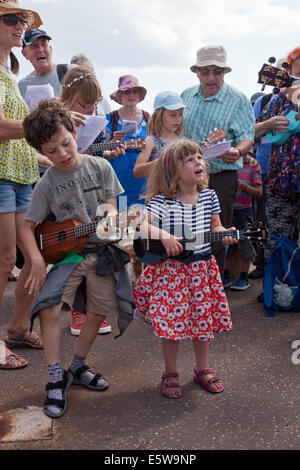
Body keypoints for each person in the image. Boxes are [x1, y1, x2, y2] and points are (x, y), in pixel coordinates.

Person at [21, 100, 133, 418]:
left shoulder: (101, 167)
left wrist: (112, 217)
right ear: (42, 151)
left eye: (66, 144)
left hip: (101, 251)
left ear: (74, 131)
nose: (63, 154)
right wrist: (36, 260)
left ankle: (78, 368)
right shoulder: (46, 183)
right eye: (52, 150)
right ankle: (55, 378)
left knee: (98, 313)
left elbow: (111, 206)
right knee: (48, 308)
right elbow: (28, 228)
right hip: (68, 254)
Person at [134, 139, 238, 398]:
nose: (198, 162)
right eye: (189, 159)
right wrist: (164, 236)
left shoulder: (209, 196)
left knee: (202, 322)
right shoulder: (162, 201)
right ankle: (170, 372)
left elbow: (215, 227)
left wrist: (225, 233)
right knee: (172, 325)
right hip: (173, 274)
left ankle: (202, 369)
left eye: (199, 158)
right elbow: (141, 226)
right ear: (173, 170)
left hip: (201, 270)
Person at [60, 65, 126, 336]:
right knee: (73, 253)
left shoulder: (95, 118)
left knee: (97, 250)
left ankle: (92, 311)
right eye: (83, 104)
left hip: (95, 187)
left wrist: (111, 151)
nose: (89, 109)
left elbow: (97, 151)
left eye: (94, 104)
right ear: (67, 97)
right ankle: (75, 312)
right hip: (67, 190)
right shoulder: (57, 118)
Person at [181, 45, 255, 276]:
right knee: (184, 229)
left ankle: (211, 283)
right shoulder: (185, 96)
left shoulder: (239, 99)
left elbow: (246, 137)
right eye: (205, 72)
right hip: (185, 177)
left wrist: (239, 152)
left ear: (224, 72)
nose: (211, 77)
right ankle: (184, 282)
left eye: (217, 71)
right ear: (197, 72)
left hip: (221, 177)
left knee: (217, 232)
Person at [0, 0, 43, 370]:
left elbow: (18, 133)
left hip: (23, 172)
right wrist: (45, 119)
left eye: (21, 20)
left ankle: (17, 326)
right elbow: (1, 128)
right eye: (11, 19)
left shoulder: (8, 74)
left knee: (34, 256)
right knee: (5, 260)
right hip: (1, 173)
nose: (20, 26)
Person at [255, 47, 300, 302]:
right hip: (281, 178)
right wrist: (271, 123)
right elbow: (256, 129)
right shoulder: (279, 97)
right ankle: (276, 288)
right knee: (277, 235)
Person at [106, 75, 150, 210]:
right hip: (118, 182)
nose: (131, 95)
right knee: (121, 223)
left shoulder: (148, 117)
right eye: (127, 92)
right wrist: (113, 143)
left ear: (139, 95)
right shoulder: (110, 118)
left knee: (143, 224)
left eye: (134, 91)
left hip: (143, 183)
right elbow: (101, 152)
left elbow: (156, 146)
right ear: (120, 95)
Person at [223, 156, 262, 290]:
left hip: (244, 211)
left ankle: (244, 277)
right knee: (227, 243)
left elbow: (259, 192)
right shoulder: (228, 165)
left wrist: (243, 186)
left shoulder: (253, 167)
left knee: (246, 244)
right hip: (229, 210)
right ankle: (225, 275)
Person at [133, 91, 188, 179]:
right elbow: (137, 171)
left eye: (180, 115)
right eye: (172, 115)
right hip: (159, 191)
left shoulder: (184, 142)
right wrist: (164, 161)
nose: (177, 119)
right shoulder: (151, 141)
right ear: (159, 116)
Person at [248, 91, 274, 280]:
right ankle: (262, 263)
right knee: (262, 218)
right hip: (266, 169)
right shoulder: (264, 101)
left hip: (292, 173)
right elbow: (251, 131)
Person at [19, 28, 76, 99]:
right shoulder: (21, 86)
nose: (40, 49)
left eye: (43, 44)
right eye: (34, 46)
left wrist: (63, 105)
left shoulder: (72, 72)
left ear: (51, 49)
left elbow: (90, 103)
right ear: (24, 54)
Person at [70, 53, 111, 117]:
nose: (84, 78)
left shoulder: (103, 103)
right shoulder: (66, 102)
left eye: (87, 73)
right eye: (79, 73)